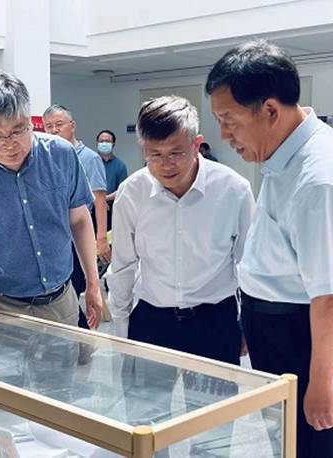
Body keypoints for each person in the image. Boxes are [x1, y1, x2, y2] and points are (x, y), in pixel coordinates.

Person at [206, 40, 333, 458]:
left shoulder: (320, 179)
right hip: (284, 329)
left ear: (270, 110)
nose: (224, 135)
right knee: (291, 446)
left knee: (318, 447)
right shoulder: (287, 151)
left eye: (228, 120)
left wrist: (321, 384)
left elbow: (332, 296)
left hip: (307, 339)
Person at [107, 95, 254, 457]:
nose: (165, 164)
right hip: (152, 321)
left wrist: (247, 326)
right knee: (146, 425)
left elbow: (248, 264)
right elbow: (123, 266)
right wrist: (121, 335)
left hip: (213, 323)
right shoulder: (132, 193)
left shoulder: (233, 190)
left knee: (213, 429)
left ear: (197, 143)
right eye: (154, 154)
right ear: (143, 149)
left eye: (176, 153)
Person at [0, 72, 103, 329]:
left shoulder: (61, 155)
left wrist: (93, 283)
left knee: (67, 357)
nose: (9, 144)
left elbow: (79, 220)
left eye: (18, 130)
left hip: (60, 300)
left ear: (31, 122)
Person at [43, 105, 110, 330]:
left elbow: (99, 199)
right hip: (56, 236)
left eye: (59, 125)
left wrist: (101, 238)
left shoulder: (89, 158)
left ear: (72, 126)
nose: (54, 130)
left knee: (74, 288)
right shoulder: (44, 158)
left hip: (79, 234)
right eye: (49, 126)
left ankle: (81, 334)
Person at [95, 129, 128, 230]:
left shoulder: (120, 165)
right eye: (101, 141)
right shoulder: (91, 162)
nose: (104, 143)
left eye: (107, 141)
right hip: (92, 208)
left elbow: (122, 190)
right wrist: (98, 201)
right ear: (97, 143)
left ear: (113, 144)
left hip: (111, 209)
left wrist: (104, 199)